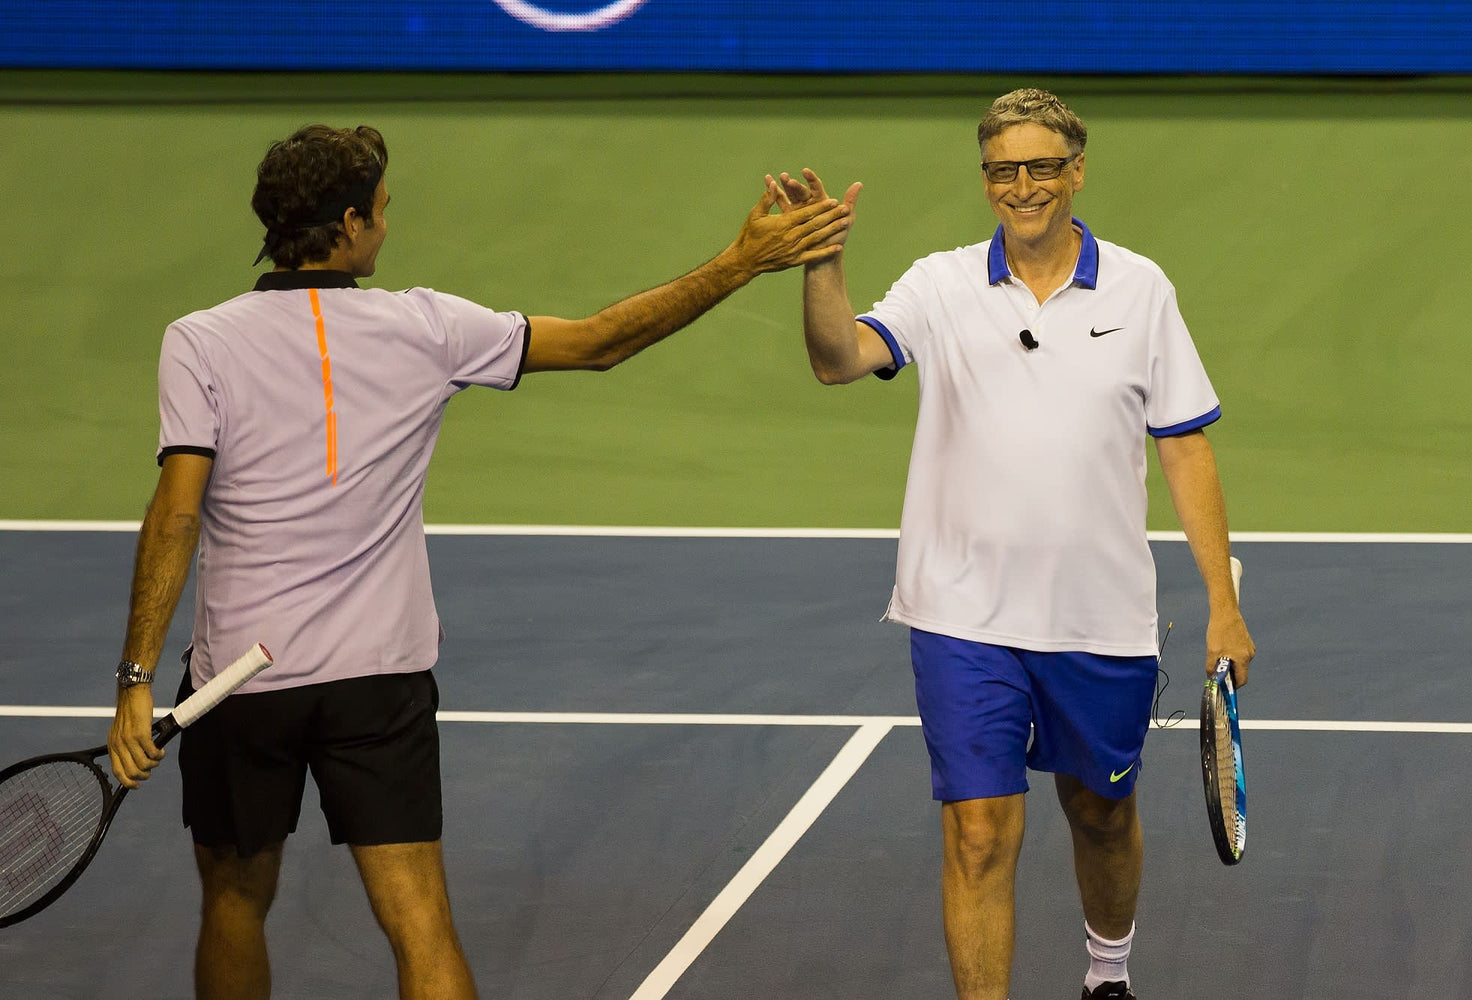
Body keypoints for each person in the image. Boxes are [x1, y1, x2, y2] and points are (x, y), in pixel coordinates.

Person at [105, 123, 850, 1000]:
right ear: (346, 225)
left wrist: (135, 677)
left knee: (233, 899)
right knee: (420, 920)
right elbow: (604, 340)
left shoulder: (198, 339)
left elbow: (176, 512)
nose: (386, 225)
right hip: (378, 679)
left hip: (235, 683)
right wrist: (738, 262)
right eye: (379, 211)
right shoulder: (429, 326)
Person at [771, 89, 1255, 1000]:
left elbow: (1185, 444)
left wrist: (1223, 609)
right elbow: (839, 358)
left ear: (1077, 169)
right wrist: (822, 266)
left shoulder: (1142, 289)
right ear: (986, 179)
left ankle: (1106, 974)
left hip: (1098, 618)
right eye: (1003, 169)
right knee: (981, 830)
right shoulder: (939, 283)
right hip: (962, 612)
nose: (1022, 185)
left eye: (1040, 166)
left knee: (1101, 814)